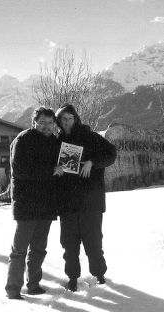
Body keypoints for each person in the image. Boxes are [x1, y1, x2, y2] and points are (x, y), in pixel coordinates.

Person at [54, 104, 117, 292]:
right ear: (59, 121)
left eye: (70, 118)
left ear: (76, 119)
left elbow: (111, 154)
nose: (66, 122)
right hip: (67, 202)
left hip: (91, 201)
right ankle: (72, 278)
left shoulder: (89, 136)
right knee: (69, 244)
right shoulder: (56, 141)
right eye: (63, 119)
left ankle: (100, 275)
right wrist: (56, 169)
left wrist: (93, 162)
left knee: (94, 242)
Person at [5, 107, 59, 300]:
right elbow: (19, 171)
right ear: (34, 122)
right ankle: (13, 290)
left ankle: (34, 284)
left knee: (38, 249)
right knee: (19, 250)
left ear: (54, 124)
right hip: (27, 204)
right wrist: (51, 171)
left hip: (46, 205)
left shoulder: (54, 142)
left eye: (50, 123)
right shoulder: (23, 140)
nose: (46, 126)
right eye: (42, 122)